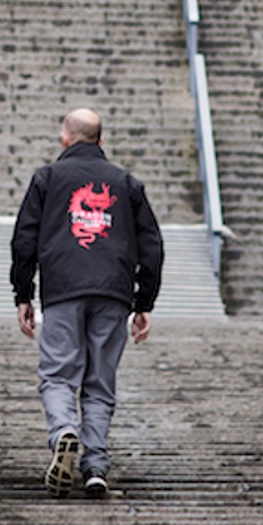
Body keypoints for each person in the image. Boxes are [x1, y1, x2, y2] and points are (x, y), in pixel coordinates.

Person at [10, 107, 164, 499]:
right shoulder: (126, 182)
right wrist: (144, 301)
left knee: (59, 373)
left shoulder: (47, 178)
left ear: (65, 138)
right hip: (113, 291)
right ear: (101, 139)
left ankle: (64, 431)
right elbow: (152, 245)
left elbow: (24, 238)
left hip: (62, 288)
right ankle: (95, 464)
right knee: (99, 382)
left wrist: (23, 293)